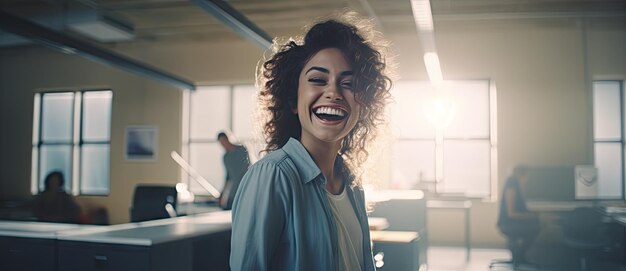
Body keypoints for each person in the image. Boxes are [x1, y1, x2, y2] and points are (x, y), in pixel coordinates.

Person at [230, 13, 392, 271]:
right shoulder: (273, 175)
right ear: (293, 101)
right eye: (318, 80)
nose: (333, 93)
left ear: (363, 105)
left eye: (348, 84)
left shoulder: (352, 183)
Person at [497, 166, 540, 265]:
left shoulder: (515, 185)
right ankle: (519, 257)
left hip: (512, 222)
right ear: (522, 175)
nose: (527, 180)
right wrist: (532, 215)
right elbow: (512, 213)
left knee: (536, 222)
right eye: (527, 177)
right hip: (507, 224)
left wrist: (531, 214)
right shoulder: (511, 186)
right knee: (536, 226)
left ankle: (519, 256)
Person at [217, 132, 251, 210]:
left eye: (223, 141)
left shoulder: (242, 150)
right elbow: (228, 176)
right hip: (234, 190)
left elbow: (249, 167)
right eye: (221, 143)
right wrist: (222, 194)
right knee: (228, 208)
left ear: (227, 139)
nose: (223, 144)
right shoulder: (226, 157)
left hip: (245, 186)